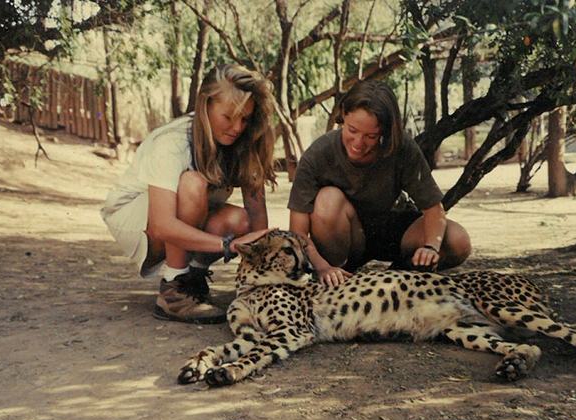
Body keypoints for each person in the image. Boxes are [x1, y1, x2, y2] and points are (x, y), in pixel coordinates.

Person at [102, 63, 277, 324]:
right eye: (228, 117)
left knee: (240, 221)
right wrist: (228, 246)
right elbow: (162, 225)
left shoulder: (245, 139)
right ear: (205, 106)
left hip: (180, 214)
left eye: (245, 118)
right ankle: (174, 288)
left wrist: (262, 276)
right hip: (137, 221)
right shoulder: (173, 142)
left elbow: (256, 214)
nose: (238, 127)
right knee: (192, 183)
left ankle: (194, 281)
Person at [288, 79, 471, 286]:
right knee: (327, 199)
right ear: (343, 116)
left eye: (371, 136)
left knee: (458, 240)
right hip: (348, 238)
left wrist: (430, 248)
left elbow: (433, 209)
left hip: (396, 230)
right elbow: (297, 232)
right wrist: (322, 267)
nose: (358, 143)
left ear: (386, 131)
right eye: (352, 130)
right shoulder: (318, 154)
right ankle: (338, 274)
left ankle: (403, 273)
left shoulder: (402, 148)